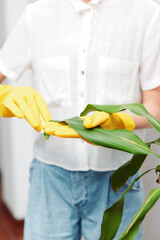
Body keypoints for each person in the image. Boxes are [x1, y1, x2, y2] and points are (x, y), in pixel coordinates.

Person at [0, 0, 160, 239]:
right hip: (50, 177)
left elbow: (154, 107)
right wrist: (6, 96)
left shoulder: (145, 12)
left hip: (118, 179)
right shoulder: (38, 13)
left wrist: (119, 121)